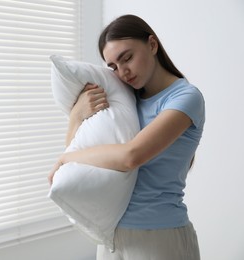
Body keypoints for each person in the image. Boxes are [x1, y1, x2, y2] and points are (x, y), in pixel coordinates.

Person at [48, 14, 205, 260]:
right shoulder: (124, 101)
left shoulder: (185, 97)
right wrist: (76, 117)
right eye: (113, 67)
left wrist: (65, 159)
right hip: (112, 236)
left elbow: (132, 156)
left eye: (127, 58)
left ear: (152, 45)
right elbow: (85, 157)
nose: (123, 72)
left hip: (160, 237)